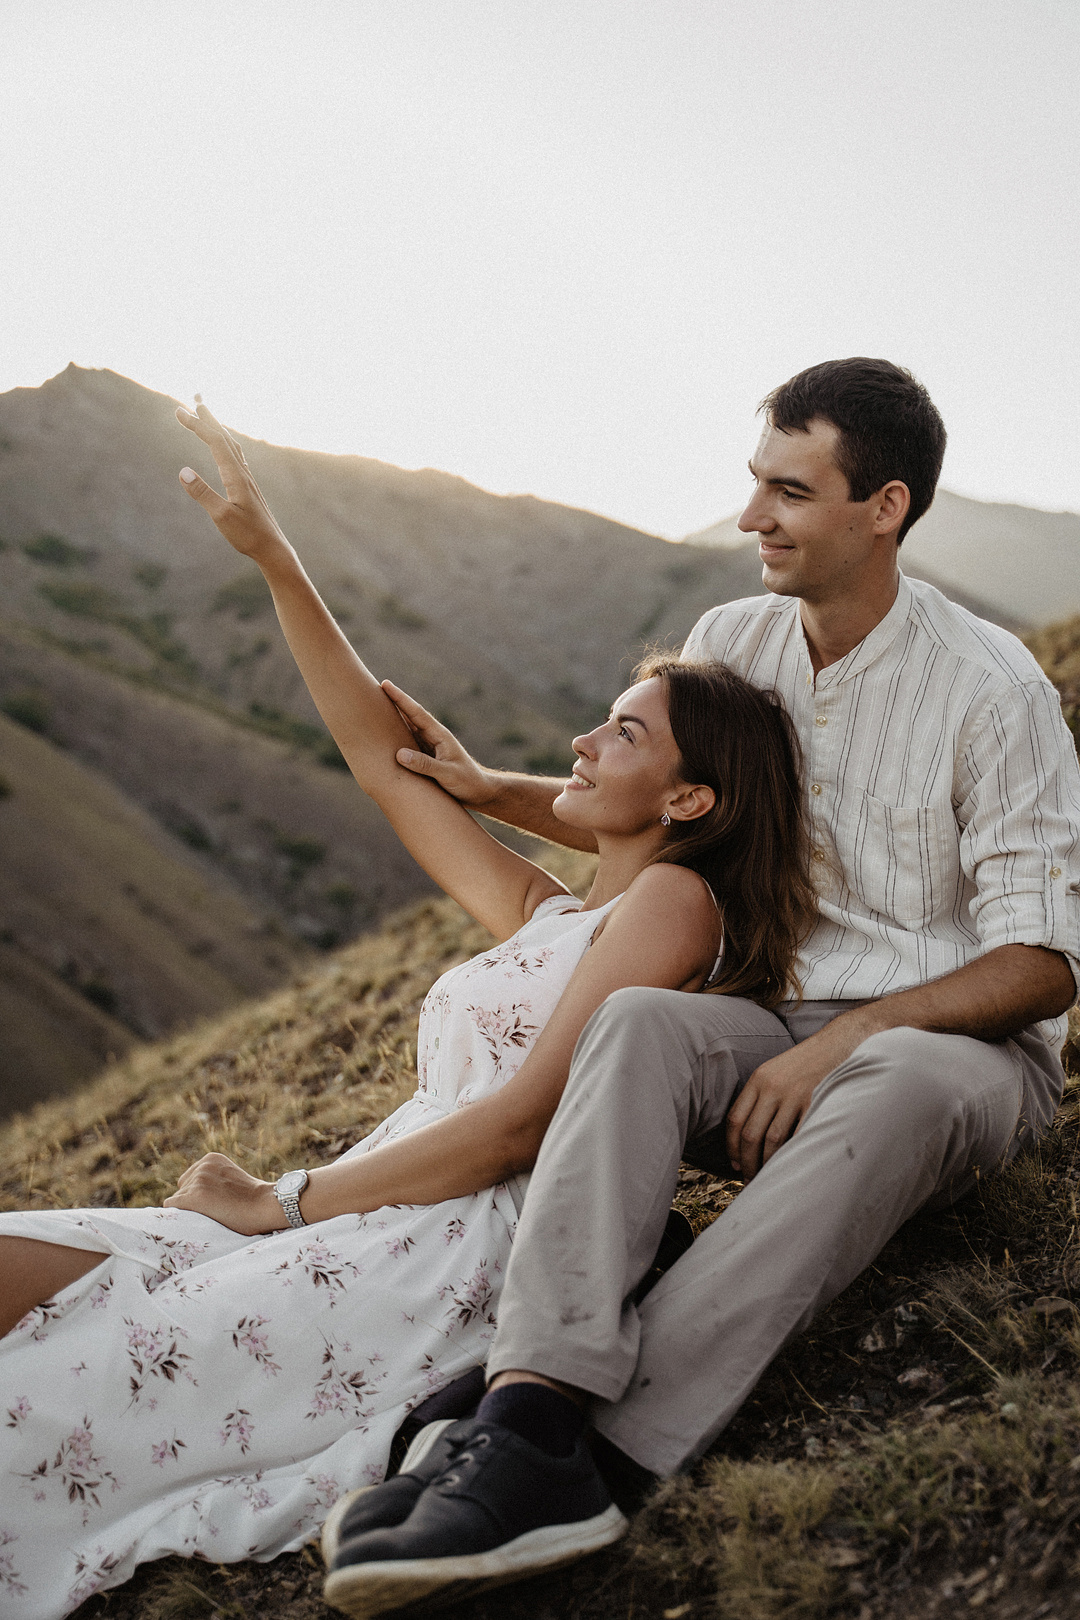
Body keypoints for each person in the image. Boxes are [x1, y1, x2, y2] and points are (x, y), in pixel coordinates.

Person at [0, 403, 815, 1619]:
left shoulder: (676, 910)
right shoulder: (548, 915)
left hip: (442, 1248)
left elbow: (516, 1131)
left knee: (59, 1394)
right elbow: (382, 764)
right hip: (364, 1201)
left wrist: (278, 1204)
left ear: (692, 798)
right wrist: (276, 557)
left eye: (624, 734)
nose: (583, 745)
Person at [320, 357, 1080, 1620]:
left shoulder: (992, 691)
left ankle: (606, 1459)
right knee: (635, 1021)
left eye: (789, 491)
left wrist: (846, 1043)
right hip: (769, 1018)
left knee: (889, 1077)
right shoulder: (737, 641)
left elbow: (1046, 963)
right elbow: (668, 805)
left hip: (957, 1047)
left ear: (883, 508)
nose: (751, 520)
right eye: (753, 485)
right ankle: (528, 1409)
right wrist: (491, 788)